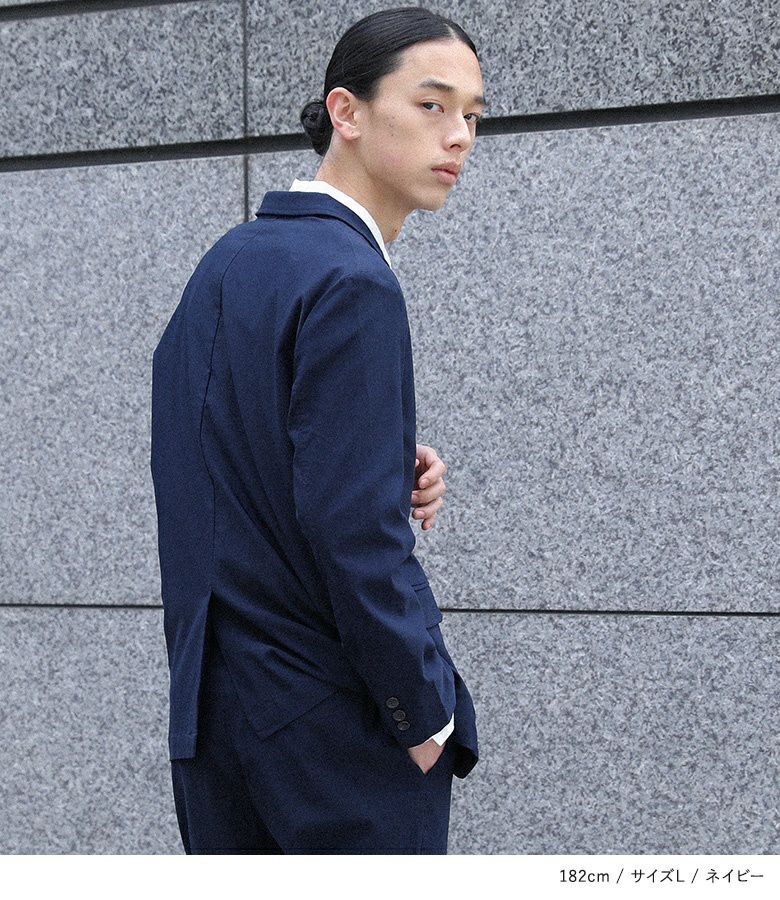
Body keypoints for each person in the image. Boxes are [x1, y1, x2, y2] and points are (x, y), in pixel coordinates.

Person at [150, 5, 485, 854]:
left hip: (216, 727)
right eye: (432, 105)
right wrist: (426, 714)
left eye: (472, 115)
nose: (459, 136)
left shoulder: (227, 263)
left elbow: (214, 468)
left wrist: (380, 455)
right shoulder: (353, 281)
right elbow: (353, 532)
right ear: (347, 111)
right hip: (339, 744)